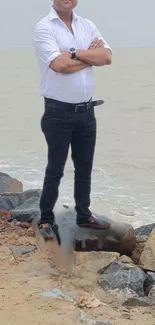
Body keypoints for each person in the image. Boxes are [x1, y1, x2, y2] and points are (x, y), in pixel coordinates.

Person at [33, 0, 112, 245]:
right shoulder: (44, 27)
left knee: (84, 167)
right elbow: (60, 65)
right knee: (55, 168)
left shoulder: (87, 25)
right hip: (58, 112)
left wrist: (76, 53)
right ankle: (46, 219)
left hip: (87, 111)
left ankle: (84, 215)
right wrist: (90, 56)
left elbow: (107, 57)